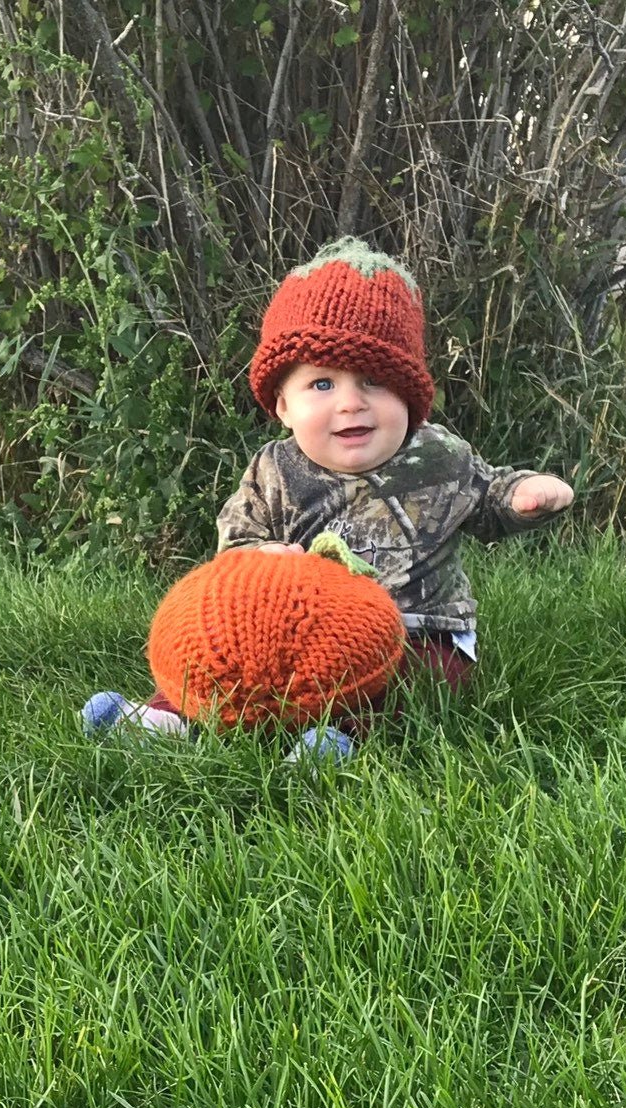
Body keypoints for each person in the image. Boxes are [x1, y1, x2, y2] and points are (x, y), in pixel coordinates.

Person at [81, 237, 574, 759]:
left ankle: (340, 740)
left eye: (373, 382)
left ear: (410, 397)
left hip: (417, 628)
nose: (350, 404)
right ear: (283, 405)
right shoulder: (276, 469)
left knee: (417, 680)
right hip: (299, 628)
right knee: (218, 656)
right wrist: (258, 558)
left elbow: (488, 498)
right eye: (321, 384)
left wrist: (523, 496)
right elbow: (239, 540)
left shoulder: (438, 456)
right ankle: (168, 714)